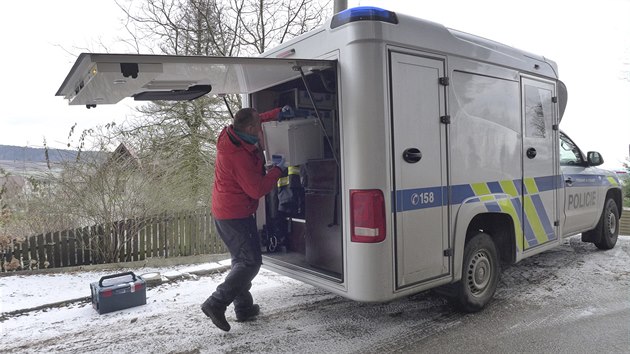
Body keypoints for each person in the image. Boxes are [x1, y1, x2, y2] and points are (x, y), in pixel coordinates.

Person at [201, 107, 285, 332]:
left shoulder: (231, 135)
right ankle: (216, 303)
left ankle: (244, 308)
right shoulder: (237, 156)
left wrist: (276, 113)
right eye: (258, 126)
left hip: (227, 212)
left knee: (241, 261)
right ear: (249, 129)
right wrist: (278, 171)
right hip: (235, 215)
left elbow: (254, 119)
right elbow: (256, 189)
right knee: (250, 262)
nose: (260, 128)